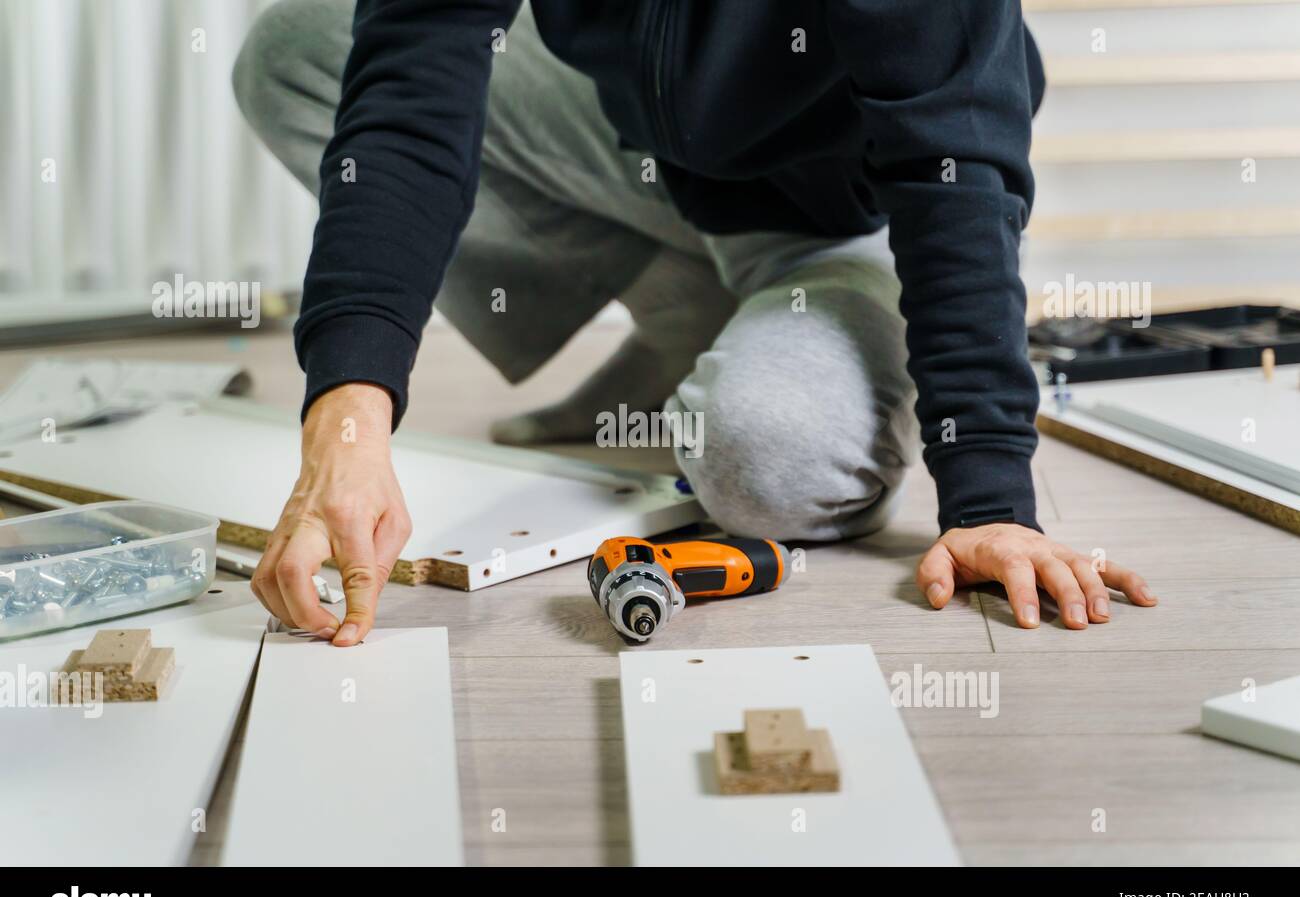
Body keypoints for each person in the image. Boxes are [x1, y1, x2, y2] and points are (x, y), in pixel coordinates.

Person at [233, 0, 1157, 646]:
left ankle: (800, 319)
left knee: (767, 459)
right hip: (649, 149)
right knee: (294, 51)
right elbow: (410, 99)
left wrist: (990, 496)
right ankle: (687, 307)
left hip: (852, 204)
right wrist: (346, 414)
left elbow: (953, 159)